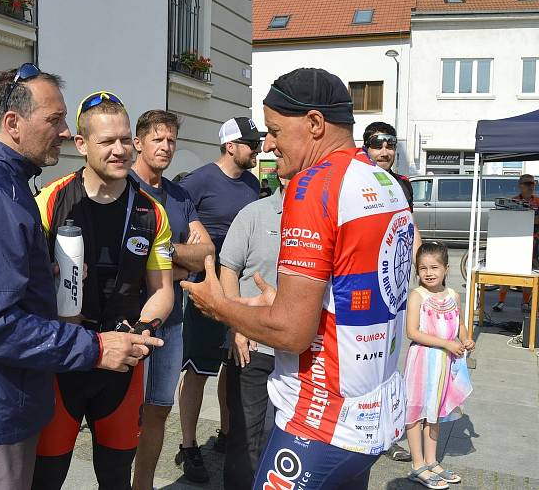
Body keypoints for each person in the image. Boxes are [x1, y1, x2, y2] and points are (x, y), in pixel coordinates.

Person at [0, 67, 163, 490]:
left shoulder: (7, 183)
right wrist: (94, 347)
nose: (61, 132)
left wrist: (41, 274)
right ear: (13, 123)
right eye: (53, 120)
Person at [183, 68, 414, 489]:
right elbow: (350, 293)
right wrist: (280, 302)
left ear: (314, 124)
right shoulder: (385, 181)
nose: (267, 145)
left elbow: (290, 333)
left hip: (321, 420)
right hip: (376, 409)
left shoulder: (313, 186)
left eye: (273, 130)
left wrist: (220, 307)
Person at [31, 92, 175, 490]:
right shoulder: (50, 201)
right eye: (107, 142)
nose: (120, 151)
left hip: (123, 363)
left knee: (115, 478)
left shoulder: (151, 211)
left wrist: (146, 326)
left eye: (126, 140)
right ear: (81, 145)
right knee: (46, 478)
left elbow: (163, 289)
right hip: (63, 358)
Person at [128, 110, 215, 490]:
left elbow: (206, 253)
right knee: (119, 415)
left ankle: (142, 485)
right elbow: (124, 256)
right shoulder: (123, 188)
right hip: (128, 318)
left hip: (171, 325)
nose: (165, 147)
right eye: (157, 139)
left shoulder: (179, 195)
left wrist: (160, 254)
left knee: (159, 411)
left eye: (171, 141)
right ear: (138, 143)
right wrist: (179, 264)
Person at [175, 116, 262, 483]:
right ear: (231, 146)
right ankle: (189, 445)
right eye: (251, 144)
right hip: (206, 286)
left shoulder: (253, 183)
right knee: (197, 367)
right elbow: (175, 221)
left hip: (239, 289)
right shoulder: (198, 181)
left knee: (233, 362)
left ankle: (227, 435)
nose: (257, 150)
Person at [219, 144, 283, 489]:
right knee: (246, 439)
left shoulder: (324, 219)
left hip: (299, 349)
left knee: (286, 439)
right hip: (252, 347)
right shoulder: (254, 213)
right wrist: (237, 324)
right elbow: (228, 268)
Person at [363, 121, 422, 462]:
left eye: (389, 145)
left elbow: (409, 228)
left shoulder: (403, 185)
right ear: (366, 146)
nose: (384, 151)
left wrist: (420, 274)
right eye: (377, 145)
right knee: (363, 359)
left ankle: (389, 429)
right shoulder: (356, 180)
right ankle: (360, 427)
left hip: (395, 286)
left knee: (390, 360)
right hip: (360, 285)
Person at [405, 241, 474, 489]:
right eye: (422, 268)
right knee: (415, 412)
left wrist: (465, 339)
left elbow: (461, 325)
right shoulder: (417, 295)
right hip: (422, 361)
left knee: (434, 412)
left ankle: (432, 461)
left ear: (447, 268)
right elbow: (412, 332)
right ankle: (417, 464)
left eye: (434, 267)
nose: (429, 272)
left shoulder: (454, 295)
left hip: (445, 364)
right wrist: (446, 343)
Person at [492, 173, 539, 313]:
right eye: (527, 183)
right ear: (520, 186)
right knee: (508, 271)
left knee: (530, 274)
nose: (531, 186)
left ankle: (525, 302)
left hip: (534, 241)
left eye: (533, 183)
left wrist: (526, 217)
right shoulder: (513, 201)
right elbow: (507, 220)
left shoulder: (538, 201)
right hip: (516, 241)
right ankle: (501, 301)